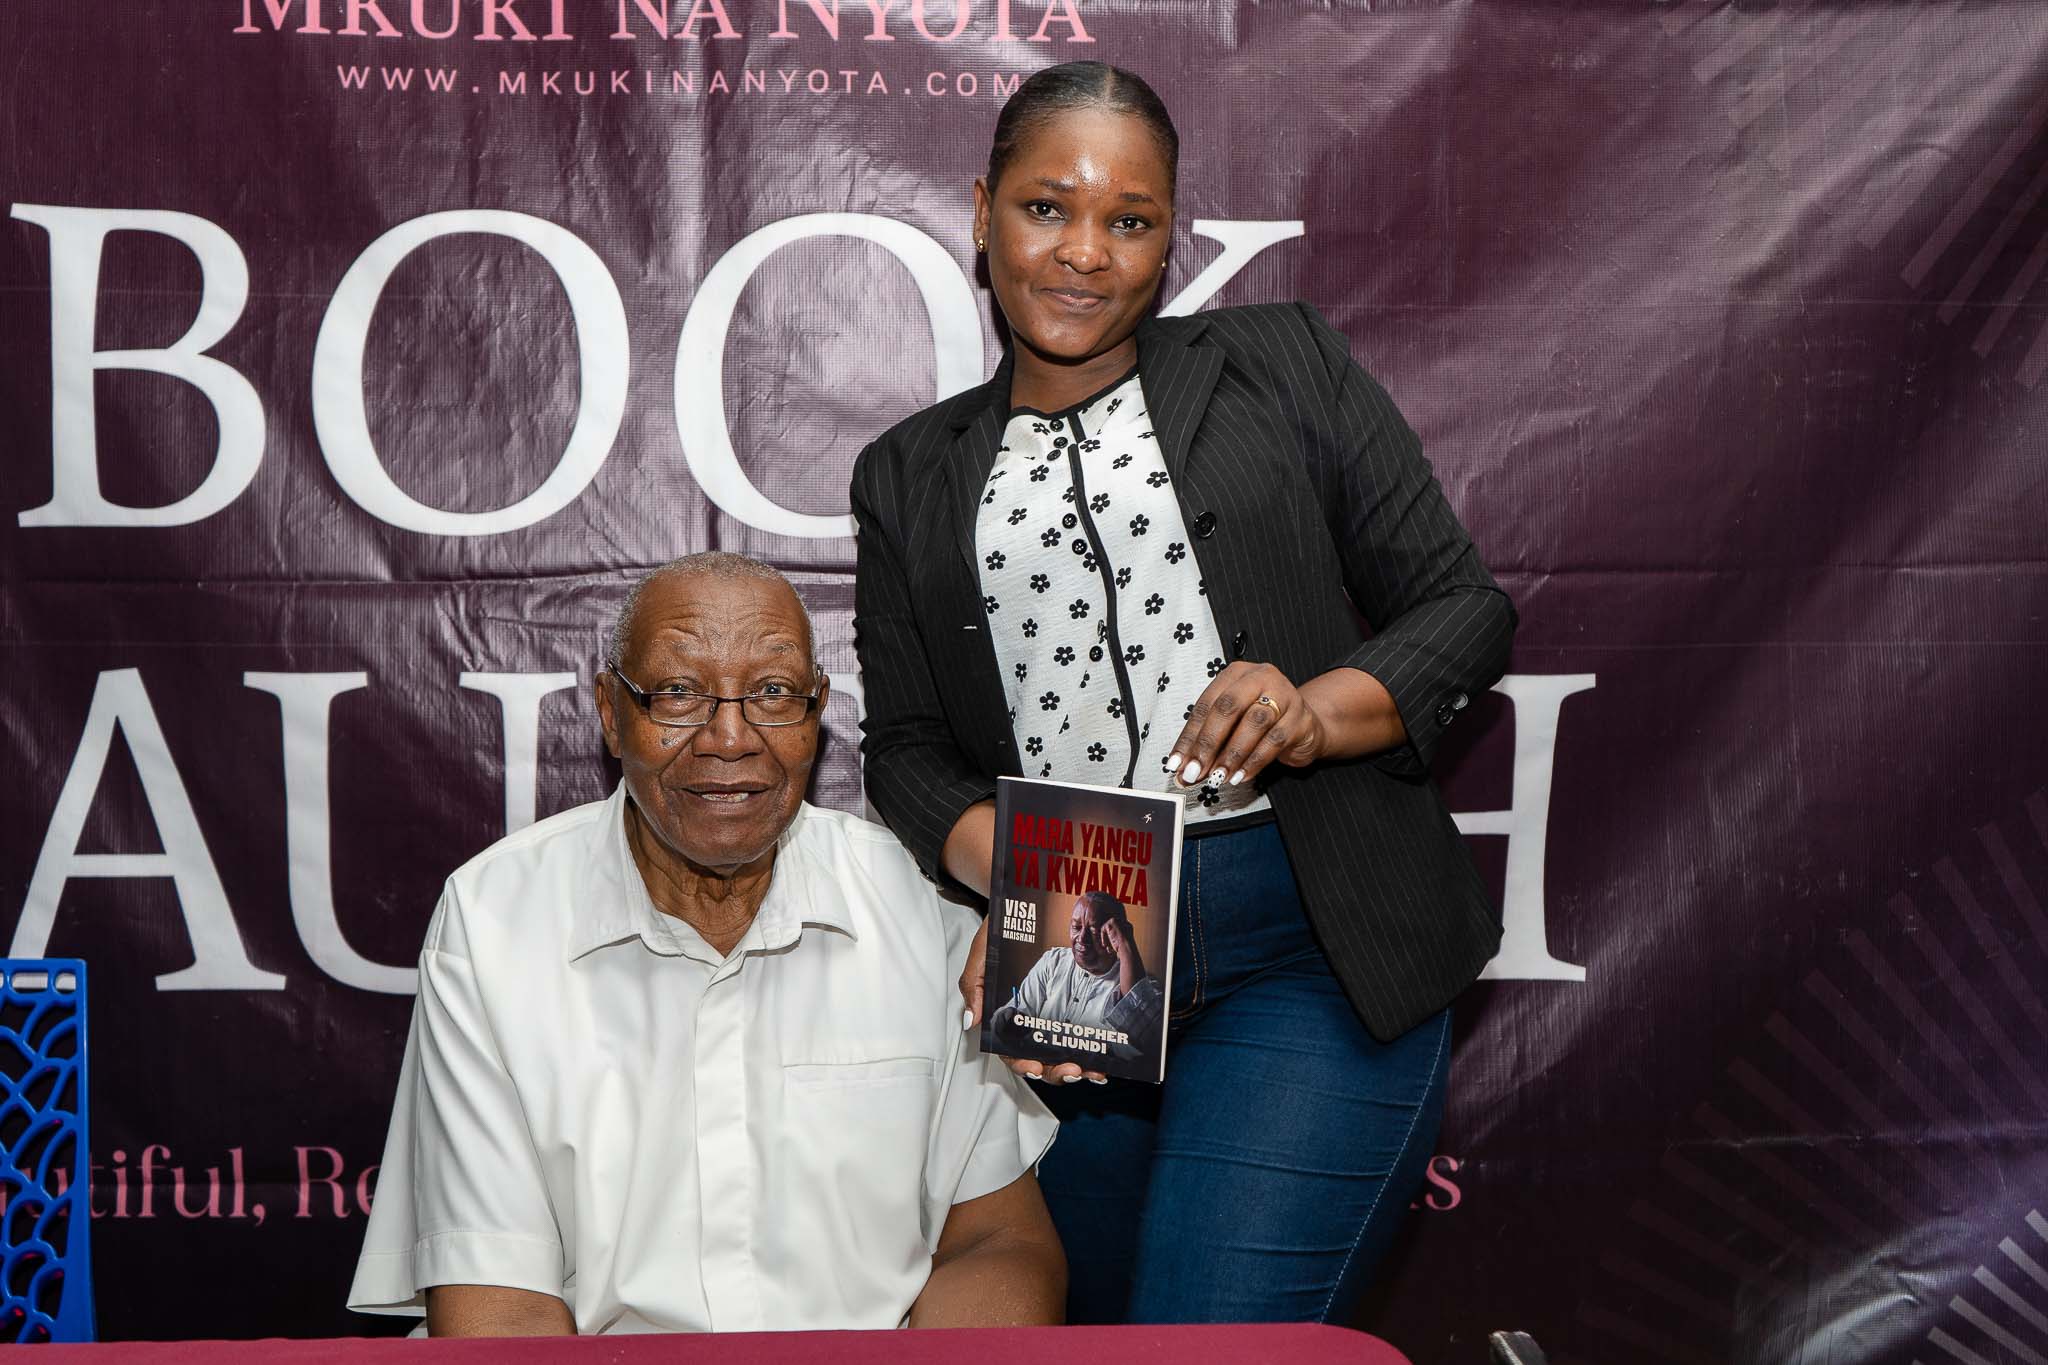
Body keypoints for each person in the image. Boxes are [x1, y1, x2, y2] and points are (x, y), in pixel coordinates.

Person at [848, 62, 1515, 1325]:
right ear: (981, 211)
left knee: (1211, 1333)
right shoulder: (906, 471)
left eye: (1129, 219)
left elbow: (1459, 606)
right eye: (1045, 208)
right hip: (1079, 926)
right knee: (1084, 1332)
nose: (1083, 252)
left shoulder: (1280, 362)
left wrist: (1313, 710)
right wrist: (1032, 881)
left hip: (1308, 933)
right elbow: (908, 749)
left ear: (1169, 240)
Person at [347, 552, 1063, 1337]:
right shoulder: (492, 921)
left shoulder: (921, 908)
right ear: (611, 712)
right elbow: (497, 1298)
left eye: (774, 692)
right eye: (679, 692)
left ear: (818, 714)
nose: (730, 737)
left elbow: (997, 1239)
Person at [989, 891, 1162, 1069]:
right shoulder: (1053, 961)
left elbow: (1142, 1046)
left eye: (1094, 931)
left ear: (1115, 937)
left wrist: (1126, 947)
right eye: (1076, 927)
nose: (1082, 938)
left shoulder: (1145, 986)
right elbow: (1018, 1011)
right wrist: (1006, 1019)